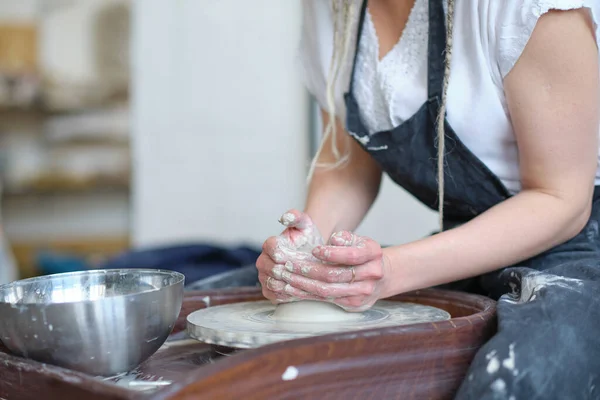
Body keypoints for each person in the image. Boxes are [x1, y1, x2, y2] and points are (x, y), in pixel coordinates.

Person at [255, 0, 600, 398]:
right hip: (469, 245)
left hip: (579, 247)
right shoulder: (334, 7)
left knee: (513, 383)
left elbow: (562, 199)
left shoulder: (523, 6)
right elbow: (348, 161)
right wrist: (304, 258)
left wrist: (391, 270)